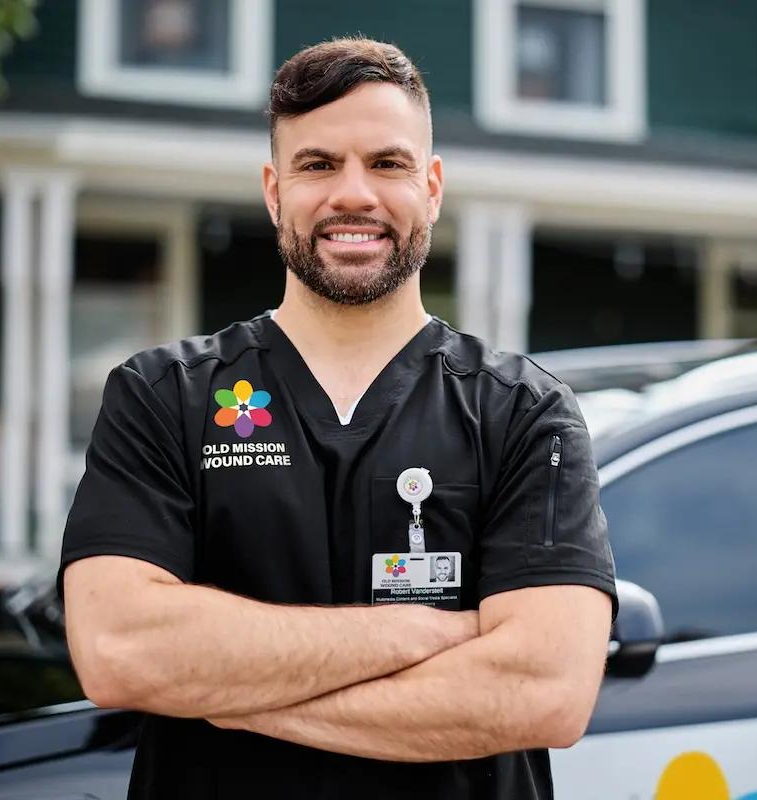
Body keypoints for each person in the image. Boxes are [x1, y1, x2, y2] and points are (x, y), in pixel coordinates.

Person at [59, 37, 616, 800]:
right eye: (317, 165)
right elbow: (120, 651)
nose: (353, 195)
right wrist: (425, 632)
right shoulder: (164, 397)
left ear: (433, 186)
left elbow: (543, 692)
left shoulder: (523, 413)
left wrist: (225, 688)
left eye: (387, 164)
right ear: (273, 190)